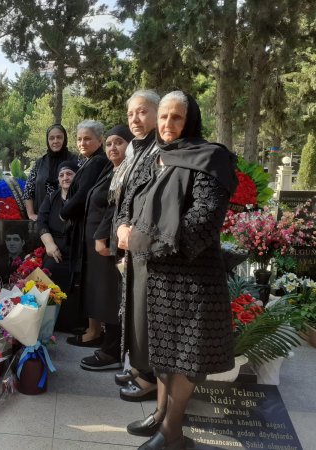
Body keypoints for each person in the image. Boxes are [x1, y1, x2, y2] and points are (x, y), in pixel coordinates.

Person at [116, 91, 237, 450]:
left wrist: (140, 239)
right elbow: (129, 199)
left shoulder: (211, 158)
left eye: (177, 118)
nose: (167, 125)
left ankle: (173, 431)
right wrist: (123, 227)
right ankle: (159, 414)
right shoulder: (159, 157)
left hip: (191, 278)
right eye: (164, 117)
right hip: (155, 277)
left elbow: (202, 222)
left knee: (183, 357)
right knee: (162, 352)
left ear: (191, 120)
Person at [109, 90, 162, 402]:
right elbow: (127, 199)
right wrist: (121, 226)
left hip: (148, 245)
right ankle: (138, 365)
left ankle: (149, 376)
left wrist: (132, 228)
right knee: (132, 309)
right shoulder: (136, 151)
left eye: (142, 112)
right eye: (131, 114)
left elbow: (153, 201)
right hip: (130, 243)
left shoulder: (160, 150)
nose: (135, 119)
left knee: (146, 313)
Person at [76, 125, 134, 369]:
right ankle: (107, 344)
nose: (112, 147)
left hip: (111, 246)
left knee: (112, 297)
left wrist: (102, 238)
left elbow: (116, 210)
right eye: (109, 143)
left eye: (118, 142)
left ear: (129, 146)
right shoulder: (112, 170)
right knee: (106, 296)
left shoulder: (128, 171)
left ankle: (112, 351)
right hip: (101, 245)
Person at [60, 120, 108, 337]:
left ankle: (94, 331)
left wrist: (64, 212)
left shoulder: (97, 162)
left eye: (87, 138)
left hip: (90, 227)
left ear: (100, 140)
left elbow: (82, 195)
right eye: (79, 139)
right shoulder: (89, 161)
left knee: (92, 280)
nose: (82, 142)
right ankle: (92, 327)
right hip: (84, 226)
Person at [37, 160, 77, 330]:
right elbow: (41, 221)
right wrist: (49, 244)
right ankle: (49, 322)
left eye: (69, 174)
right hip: (54, 246)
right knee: (50, 267)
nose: (65, 178)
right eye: (61, 175)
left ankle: (71, 324)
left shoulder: (81, 196)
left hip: (75, 247)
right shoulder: (51, 197)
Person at [24, 124, 78, 220]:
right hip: (42, 220)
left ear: (64, 139)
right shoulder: (39, 163)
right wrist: (31, 214)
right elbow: (28, 191)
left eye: (59, 137)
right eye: (51, 138)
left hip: (69, 220)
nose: (55, 141)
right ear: (47, 140)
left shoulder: (76, 161)